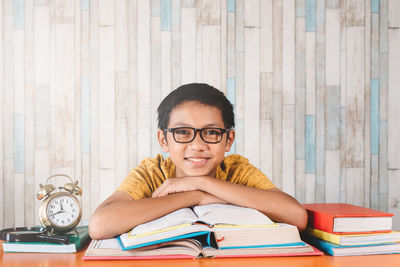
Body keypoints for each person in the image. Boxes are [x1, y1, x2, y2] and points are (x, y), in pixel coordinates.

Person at [89, 83, 307, 239]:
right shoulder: (152, 172)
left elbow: (297, 216)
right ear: (163, 140)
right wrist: (195, 196)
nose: (197, 145)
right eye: (183, 132)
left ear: (228, 139)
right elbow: (100, 224)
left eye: (211, 132)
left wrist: (203, 183)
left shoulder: (236, 170)